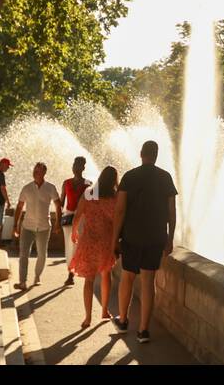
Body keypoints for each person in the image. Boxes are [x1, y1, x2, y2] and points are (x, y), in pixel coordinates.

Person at [113, 140, 177, 344]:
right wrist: (170, 238)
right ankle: (143, 331)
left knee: (128, 277)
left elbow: (120, 210)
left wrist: (114, 238)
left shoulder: (129, 177)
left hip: (131, 236)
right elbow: (172, 212)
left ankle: (123, 321)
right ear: (156, 155)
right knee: (149, 281)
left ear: (141, 154)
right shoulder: (165, 177)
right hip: (155, 236)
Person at [69, 166, 119, 328]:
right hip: (106, 241)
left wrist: (74, 231)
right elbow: (119, 219)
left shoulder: (89, 193)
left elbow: (78, 214)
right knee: (106, 275)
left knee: (89, 280)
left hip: (89, 240)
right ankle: (104, 310)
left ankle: (88, 317)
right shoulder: (115, 197)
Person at [13, 162, 62, 290]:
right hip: (27, 226)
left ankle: (37, 276)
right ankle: (22, 281)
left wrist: (58, 223)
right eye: (34, 171)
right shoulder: (27, 188)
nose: (35, 173)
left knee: (42, 254)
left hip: (44, 227)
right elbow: (19, 207)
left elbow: (58, 205)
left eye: (38, 171)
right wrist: (15, 225)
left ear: (44, 173)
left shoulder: (50, 188)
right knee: (23, 254)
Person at [60, 157, 93, 287]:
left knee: (76, 246)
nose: (76, 168)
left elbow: (94, 204)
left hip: (82, 218)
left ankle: (73, 273)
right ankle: (71, 271)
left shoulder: (89, 184)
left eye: (79, 165)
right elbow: (62, 202)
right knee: (69, 246)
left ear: (83, 168)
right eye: (75, 165)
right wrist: (58, 219)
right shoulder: (66, 183)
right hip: (68, 217)